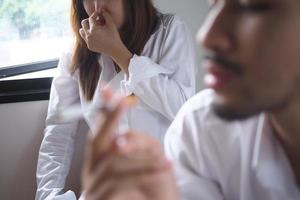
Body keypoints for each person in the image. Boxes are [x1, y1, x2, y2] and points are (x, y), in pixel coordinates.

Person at [82, 0, 300, 199]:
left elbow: (176, 102)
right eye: (212, 5)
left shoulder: (169, 31)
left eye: (252, 6)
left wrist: (120, 54)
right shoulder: (198, 128)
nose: (206, 36)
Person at [35, 0, 196, 199]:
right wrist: (48, 194)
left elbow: (182, 108)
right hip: (108, 188)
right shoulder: (75, 54)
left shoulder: (169, 31)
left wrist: (119, 53)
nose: (97, 7)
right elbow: (58, 132)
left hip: (165, 186)